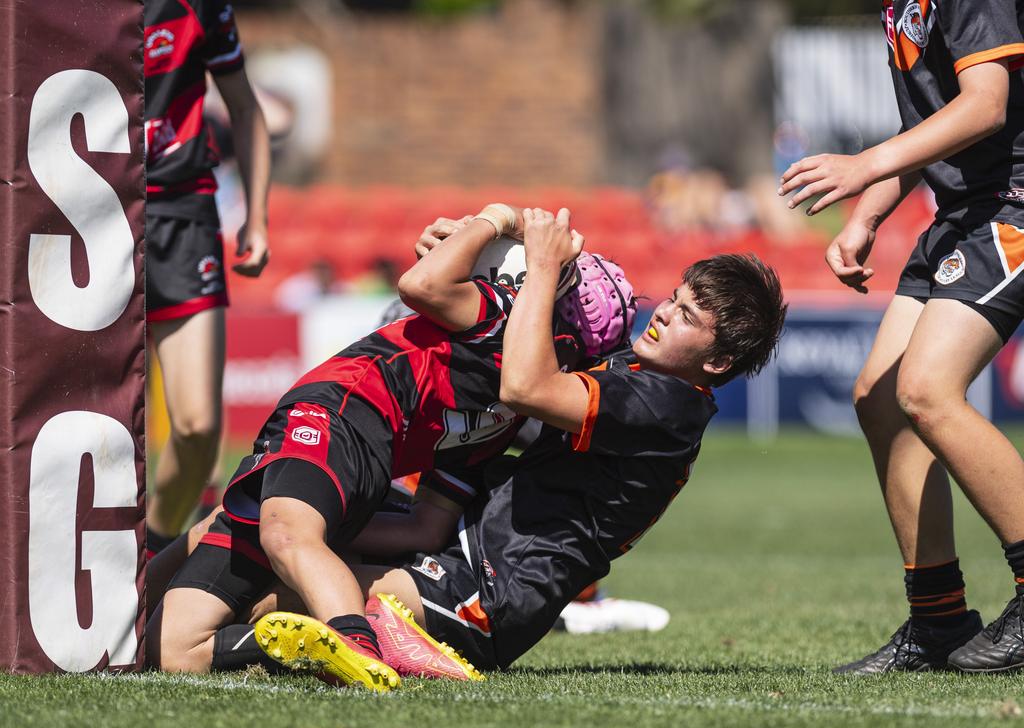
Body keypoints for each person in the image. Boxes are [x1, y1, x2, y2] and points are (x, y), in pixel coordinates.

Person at [246, 211, 786, 674]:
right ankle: (371, 637)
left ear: (716, 363)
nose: (665, 313)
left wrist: (545, 268)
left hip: (493, 591)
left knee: (273, 595)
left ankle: (375, 643)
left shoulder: (668, 406)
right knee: (283, 553)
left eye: (687, 316)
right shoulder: (639, 371)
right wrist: (459, 252)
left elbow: (524, 387)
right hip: (460, 539)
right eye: (674, 299)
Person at [146, 206, 636, 690]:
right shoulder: (507, 414)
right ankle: (139, 604)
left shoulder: (501, 321)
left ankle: (358, 643)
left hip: (337, 413)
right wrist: (334, 533)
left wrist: (495, 217)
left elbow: (420, 286)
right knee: (175, 650)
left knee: (283, 532)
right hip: (347, 448)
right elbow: (426, 527)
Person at [779, 1, 1024, 673]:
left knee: (926, 390)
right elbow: (928, 125)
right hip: (961, 213)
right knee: (881, 400)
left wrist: (864, 164)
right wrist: (867, 216)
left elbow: (985, 105)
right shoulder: (902, 7)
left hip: (1011, 206)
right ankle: (938, 620)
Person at [145, 0, 271, 556]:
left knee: (197, 430)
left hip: (182, 215)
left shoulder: (201, 7)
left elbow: (245, 109)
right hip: (80, 216)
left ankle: (150, 554)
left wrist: (258, 218)